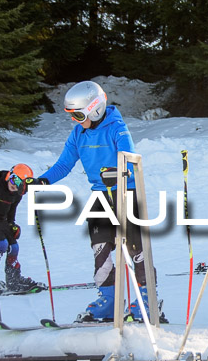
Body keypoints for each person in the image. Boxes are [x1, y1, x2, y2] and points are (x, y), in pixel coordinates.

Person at [32, 81, 165, 323]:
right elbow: (64, 164)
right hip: (100, 196)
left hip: (126, 192)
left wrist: (117, 171)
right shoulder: (78, 133)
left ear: (95, 109)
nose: (74, 120)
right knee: (100, 248)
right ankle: (109, 298)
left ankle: (147, 296)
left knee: (136, 248)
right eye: (71, 115)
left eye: (78, 115)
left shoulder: (117, 129)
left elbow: (131, 160)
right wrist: (42, 181)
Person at [0, 164, 47, 296]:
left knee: (14, 247)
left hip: (1, 221)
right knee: (1, 245)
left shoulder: (16, 195)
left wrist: (12, 224)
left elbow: (11, 211)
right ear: (9, 175)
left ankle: (14, 280)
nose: (14, 185)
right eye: (13, 180)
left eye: (19, 185)